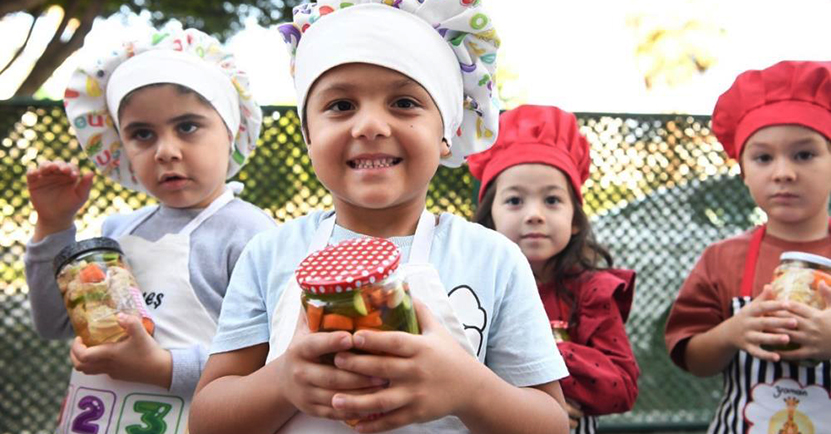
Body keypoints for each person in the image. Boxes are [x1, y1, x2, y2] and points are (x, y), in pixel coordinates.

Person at [189, 1, 570, 433]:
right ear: (308, 135)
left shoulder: (494, 260)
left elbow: (553, 423)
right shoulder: (268, 255)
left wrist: (470, 389)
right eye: (341, 105)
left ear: (446, 133)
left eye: (404, 102)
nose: (370, 125)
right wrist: (282, 382)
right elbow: (206, 421)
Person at [24, 27, 275, 434]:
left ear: (231, 132)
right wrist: (54, 226)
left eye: (188, 126)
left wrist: (162, 367)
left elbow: (269, 359)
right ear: (122, 147)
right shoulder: (117, 231)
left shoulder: (250, 233)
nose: (166, 150)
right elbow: (53, 323)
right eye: (142, 134)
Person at [664, 60, 831, 433]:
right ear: (743, 171)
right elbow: (692, 358)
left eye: (804, 154)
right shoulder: (722, 259)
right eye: (763, 158)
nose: (783, 172)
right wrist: (731, 333)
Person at [469, 105, 640, 434]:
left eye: (551, 200)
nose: (534, 214)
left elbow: (622, 387)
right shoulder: (472, 289)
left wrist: (535, 353)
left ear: (575, 220)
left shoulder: (592, 293)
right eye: (515, 201)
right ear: (489, 218)